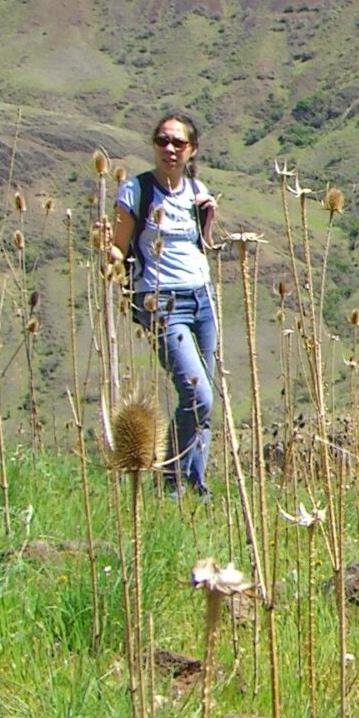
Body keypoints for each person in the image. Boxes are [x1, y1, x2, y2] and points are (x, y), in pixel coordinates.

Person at [110, 115, 220, 495]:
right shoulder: (136, 191)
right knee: (197, 395)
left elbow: (200, 245)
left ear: (192, 150)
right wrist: (105, 258)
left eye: (178, 143)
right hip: (163, 302)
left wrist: (209, 218)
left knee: (205, 398)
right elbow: (118, 246)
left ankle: (197, 485)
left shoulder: (196, 188)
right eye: (162, 141)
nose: (169, 149)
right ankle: (170, 482)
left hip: (201, 297)